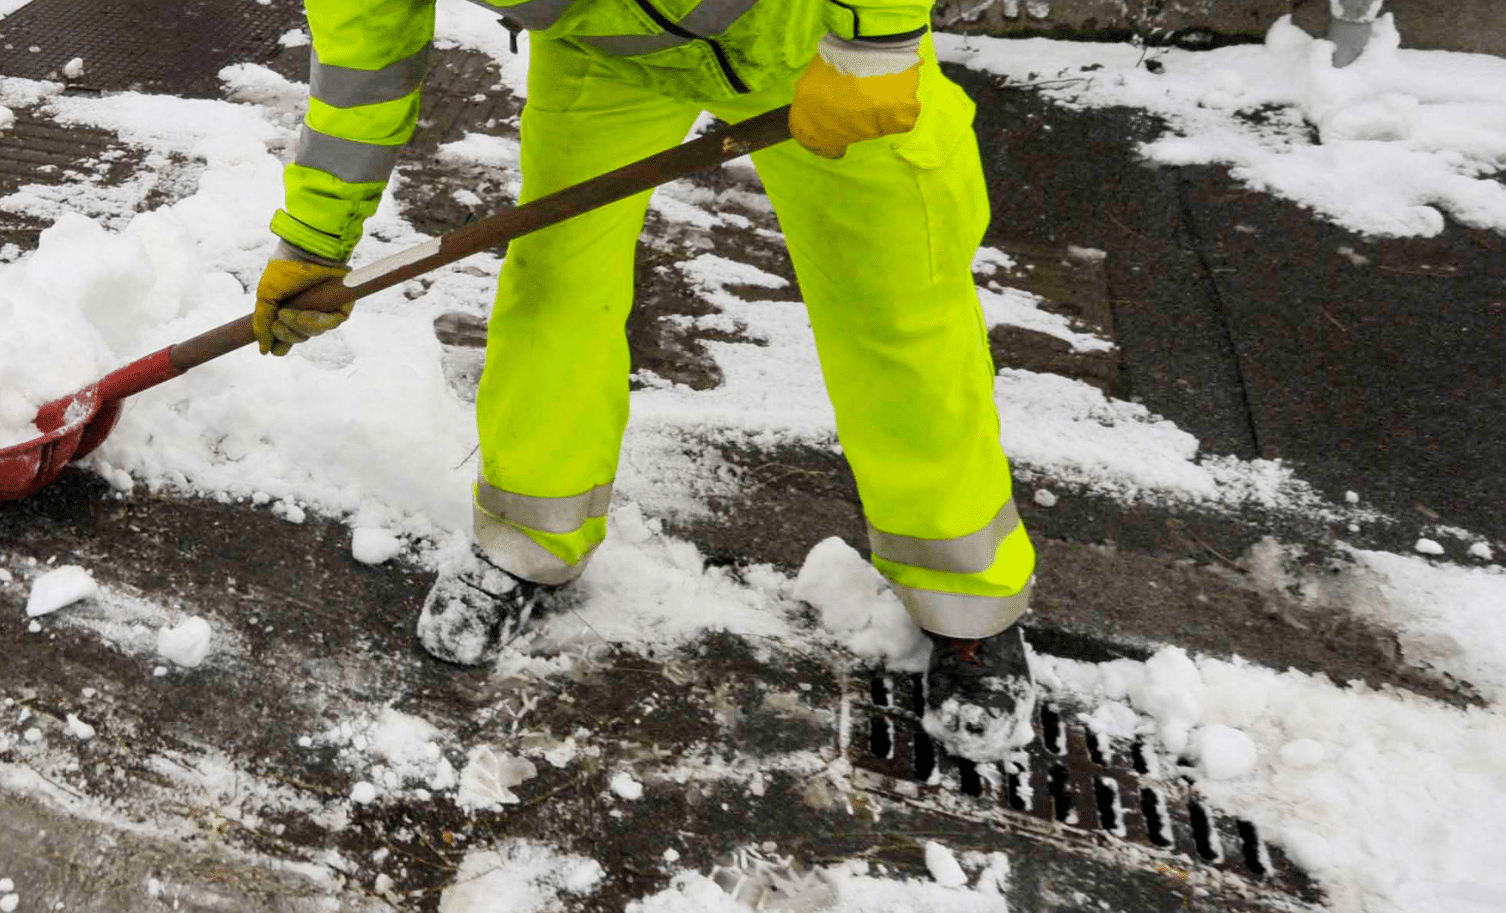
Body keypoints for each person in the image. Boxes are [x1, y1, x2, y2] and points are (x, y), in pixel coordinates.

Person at [252, 0, 1037, 760]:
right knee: (556, 282)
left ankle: (967, 605)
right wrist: (317, 238)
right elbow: (366, 58)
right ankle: (528, 536)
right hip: (608, 50)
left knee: (895, 304)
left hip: (810, 33)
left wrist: (875, 42)